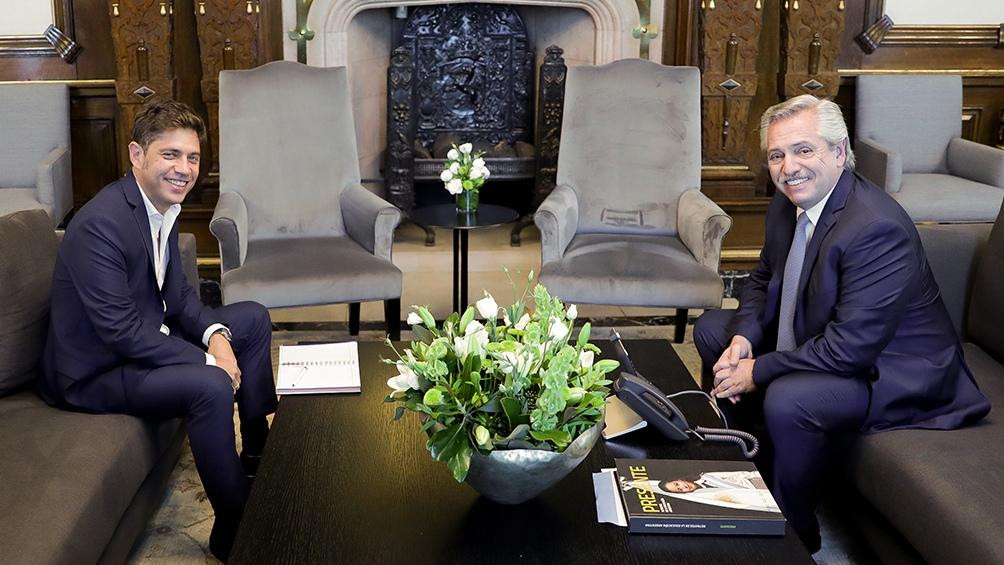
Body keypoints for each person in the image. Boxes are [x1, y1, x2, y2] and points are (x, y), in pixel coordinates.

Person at [693, 94, 990, 552]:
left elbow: (850, 350)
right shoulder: (788, 199)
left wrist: (757, 371)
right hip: (823, 334)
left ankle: (794, 534)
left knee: (790, 397)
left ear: (838, 152)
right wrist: (743, 340)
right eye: (777, 155)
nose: (789, 166)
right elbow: (762, 278)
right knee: (714, 328)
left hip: (893, 370)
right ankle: (748, 469)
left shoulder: (875, 228)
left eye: (803, 150)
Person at [38, 99, 278, 561]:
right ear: (136, 155)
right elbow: (122, 333)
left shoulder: (160, 207)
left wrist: (214, 336)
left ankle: (255, 447)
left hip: (142, 337)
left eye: (192, 157)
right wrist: (212, 360)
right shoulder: (99, 226)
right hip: (95, 371)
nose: (184, 169)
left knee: (249, 318)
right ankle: (234, 525)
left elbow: (181, 297)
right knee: (209, 384)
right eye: (170, 154)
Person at [622, 470, 780, 513]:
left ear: (680, 478)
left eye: (678, 483)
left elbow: (738, 474)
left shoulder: (706, 476)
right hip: (758, 495)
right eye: (679, 490)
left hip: (756, 480)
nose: (683, 487)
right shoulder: (704, 497)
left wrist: (754, 477)